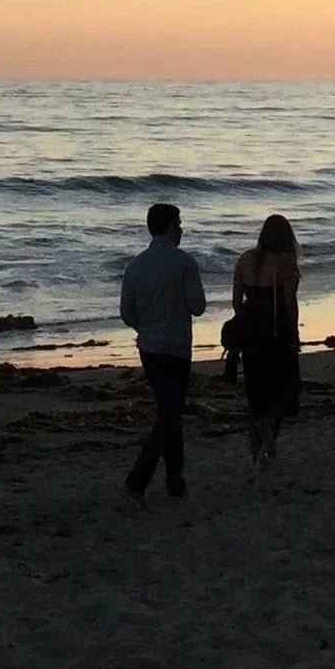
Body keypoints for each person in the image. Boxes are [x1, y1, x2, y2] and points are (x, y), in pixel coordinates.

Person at [119, 200, 206, 501]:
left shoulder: (135, 266)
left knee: (169, 411)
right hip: (177, 347)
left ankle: (174, 478)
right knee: (170, 414)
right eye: (179, 224)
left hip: (149, 347)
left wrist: (147, 325)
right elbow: (198, 307)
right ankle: (140, 479)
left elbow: (127, 314)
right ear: (170, 227)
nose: (181, 230)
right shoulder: (184, 262)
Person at [232, 213, 302, 472]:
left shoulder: (244, 259)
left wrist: (243, 324)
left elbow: (237, 301)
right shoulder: (284, 262)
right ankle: (268, 427)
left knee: (257, 398)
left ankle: (257, 457)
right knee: (287, 391)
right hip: (277, 334)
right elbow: (289, 303)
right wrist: (293, 334)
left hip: (251, 336)